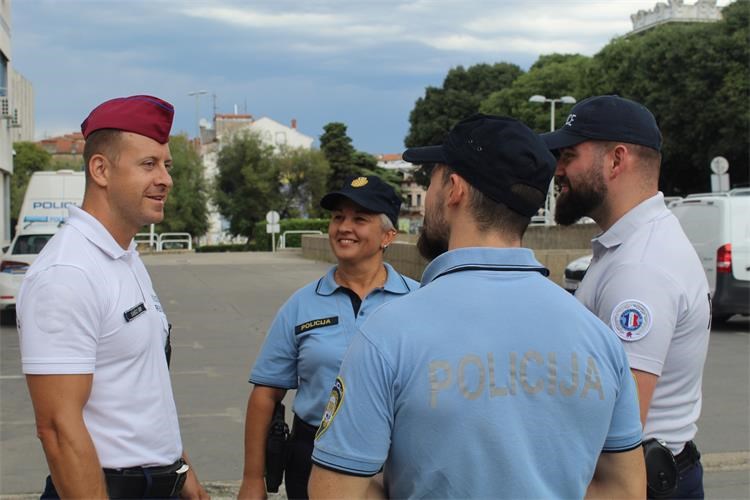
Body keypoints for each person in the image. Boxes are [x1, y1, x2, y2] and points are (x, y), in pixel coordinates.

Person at [309, 114, 646, 499]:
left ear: (454, 189)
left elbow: (333, 493)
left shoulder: (387, 334)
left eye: (433, 179)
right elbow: (626, 489)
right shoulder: (598, 337)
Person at [17, 95, 208, 499]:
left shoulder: (123, 257)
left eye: (166, 165)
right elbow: (57, 429)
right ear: (101, 170)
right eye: (148, 164)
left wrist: (183, 471)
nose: (166, 179)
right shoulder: (68, 273)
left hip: (160, 483)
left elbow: (138, 391)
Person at [541, 95, 710, 498]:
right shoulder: (635, 245)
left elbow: (622, 419)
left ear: (616, 160)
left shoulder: (640, 267)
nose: (558, 170)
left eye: (568, 155)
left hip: (634, 483)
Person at [239, 175, 419, 500]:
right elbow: (266, 394)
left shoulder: (419, 301)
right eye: (338, 217)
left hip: (400, 457)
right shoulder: (301, 304)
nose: (344, 227)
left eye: (359, 219)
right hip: (313, 454)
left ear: (388, 235)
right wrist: (252, 479)